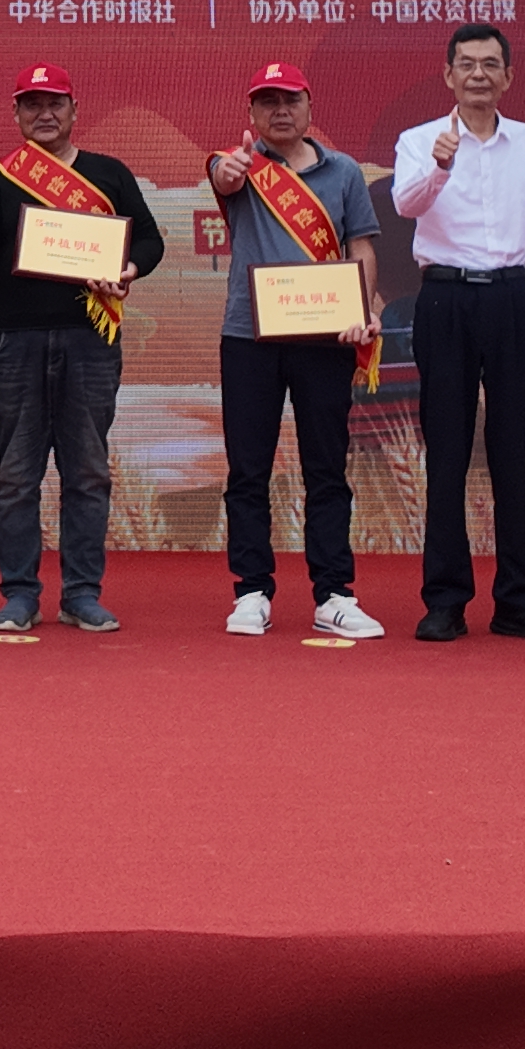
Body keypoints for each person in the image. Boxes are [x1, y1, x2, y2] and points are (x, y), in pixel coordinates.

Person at [0, 60, 165, 633]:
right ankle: (20, 594)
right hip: (14, 339)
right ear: (16, 113)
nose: (44, 114)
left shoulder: (108, 173)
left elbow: (149, 239)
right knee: (16, 476)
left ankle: (81, 593)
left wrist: (128, 268)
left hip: (89, 339)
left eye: (55, 104)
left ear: (74, 110)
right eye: (32, 104)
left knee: (88, 471)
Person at [389, 22, 525, 643]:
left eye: (490, 64)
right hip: (444, 297)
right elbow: (407, 205)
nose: (478, 75)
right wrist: (440, 166)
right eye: (466, 64)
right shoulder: (420, 140)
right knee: (446, 451)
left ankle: (519, 600)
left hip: (513, 299)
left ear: (508, 76)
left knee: (513, 451)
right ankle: (445, 600)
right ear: (448, 75)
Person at [207, 60, 387, 641]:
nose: (280, 111)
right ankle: (251, 591)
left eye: (290, 100)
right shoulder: (239, 164)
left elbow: (361, 247)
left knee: (326, 469)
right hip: (249, 337)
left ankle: (334, 593)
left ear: (310, 106)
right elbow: (223, 179)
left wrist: (364, 309)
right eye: (268, 102)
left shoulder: (345, 172)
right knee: (248, 469)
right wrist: (230, 170)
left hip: (327, 338)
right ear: (252, 113)